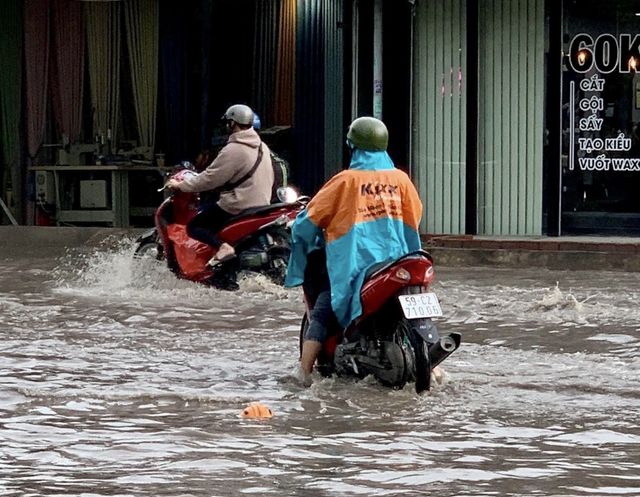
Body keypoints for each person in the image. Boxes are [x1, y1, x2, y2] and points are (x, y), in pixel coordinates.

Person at [284, 116, 423, 382]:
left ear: (352, 146)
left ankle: (303, 373)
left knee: (324, 307)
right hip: (400, 262)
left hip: (357, 266)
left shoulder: (345, 181)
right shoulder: (401, 180)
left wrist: (302, 231)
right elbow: (414, 215)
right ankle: (435, 367)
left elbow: (309, 220)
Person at [166, 104, 274, 265]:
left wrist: (180, 185)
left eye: (228, 122)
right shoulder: (262, 147)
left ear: (232, 123)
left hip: (239, 205)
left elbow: (209, 179)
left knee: (195, 226)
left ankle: (223, 247)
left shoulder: (234, 149)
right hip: (262, 204)